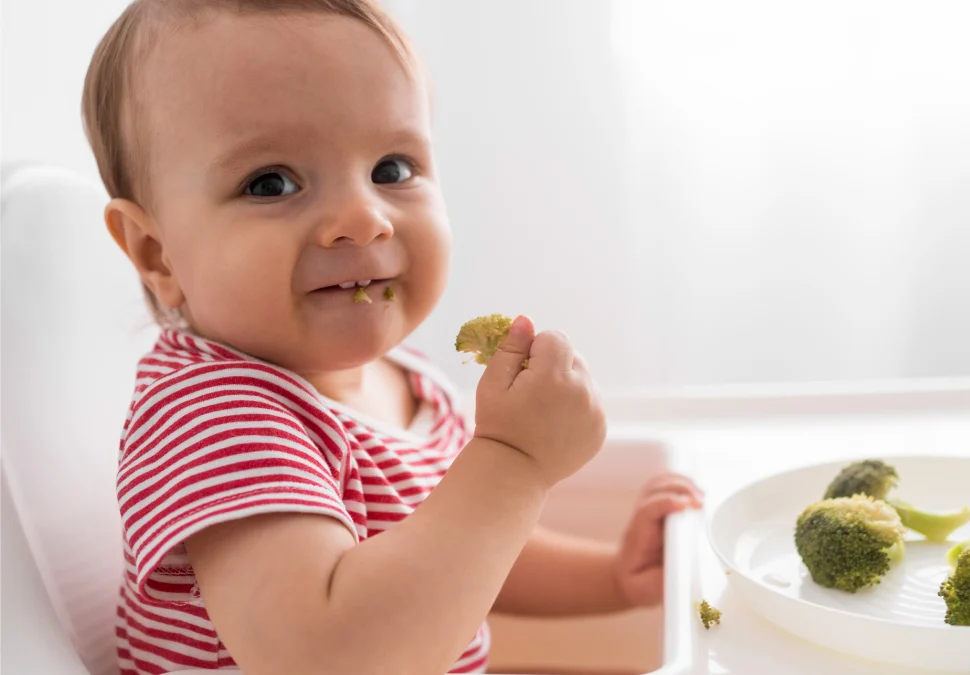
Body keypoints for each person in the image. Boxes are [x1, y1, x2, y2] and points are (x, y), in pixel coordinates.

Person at [81, 2, 703, 673]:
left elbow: (465, 550)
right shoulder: (211, 414)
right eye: (272, 183)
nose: (362, 218)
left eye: (392, 169)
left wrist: (610, 576)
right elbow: (334, 654)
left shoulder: (405, 378)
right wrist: (514, 463)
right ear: (157, 253)